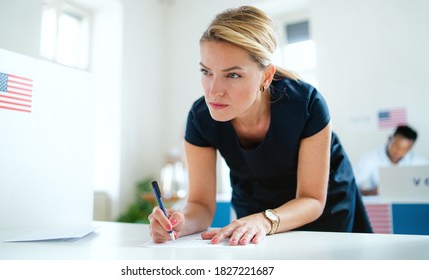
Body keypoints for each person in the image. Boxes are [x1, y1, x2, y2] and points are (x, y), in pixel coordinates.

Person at [148, 5, 372, 246]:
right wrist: (182, 221)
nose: (213, 91)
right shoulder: (200, 117)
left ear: (265, 76)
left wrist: (266, 220)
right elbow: (201, 204)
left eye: (232, 75)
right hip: (254, 208)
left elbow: (311, 199)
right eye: (206, 71)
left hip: (321, 208)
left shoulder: (306, 104)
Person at [354, 125, 428, 196]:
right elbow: (351, 187)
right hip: (381, 206)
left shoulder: (420, 163)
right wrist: (371, 192)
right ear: (390, 139)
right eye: (395, 146)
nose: (398, 151)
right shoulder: (369, 159)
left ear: (410, 148)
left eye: (403, 149)